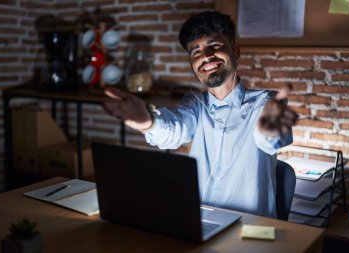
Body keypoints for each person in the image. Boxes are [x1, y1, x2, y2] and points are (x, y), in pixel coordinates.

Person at [102, 11, 297, 218]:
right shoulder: (194, 104)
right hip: (197, 223)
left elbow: (270, 139)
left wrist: (267, 131)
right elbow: (175, 129)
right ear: (193, 65)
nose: (205, 56)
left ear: (235, 51)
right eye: (196, 52)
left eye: (214, 46)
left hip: (250, 230)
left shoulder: (265, 102)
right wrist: (148, 122)